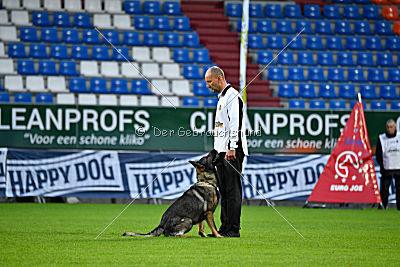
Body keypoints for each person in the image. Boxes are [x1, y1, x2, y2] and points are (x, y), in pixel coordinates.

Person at [204, 66, 248, 237]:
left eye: (209, 81)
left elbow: (235, 124)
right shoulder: (222, 97)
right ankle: (224, 229)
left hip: (232, 152)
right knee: (225, 192)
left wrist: (231, 147)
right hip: (223, 152)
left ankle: (233, 229)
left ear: (219, 78)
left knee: (233, 191)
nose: (207, 85)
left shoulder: (232, 96)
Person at [375, 119, 400, 210]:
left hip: (398, 167)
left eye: (391, 127)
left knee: (399, 189)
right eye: (388, 127)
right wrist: (382, 165)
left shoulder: (399, 136)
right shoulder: (382, 138)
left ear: (395, 127)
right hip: (387, 167)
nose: (389, 129)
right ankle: (383, 206)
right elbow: (378, 154)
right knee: (384, 189)